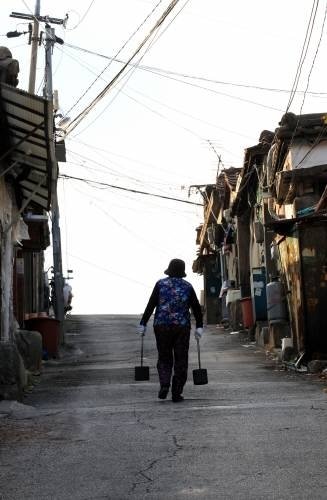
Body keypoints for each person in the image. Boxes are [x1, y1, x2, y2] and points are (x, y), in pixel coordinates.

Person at [138, 258, 203, 403]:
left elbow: (151, 304)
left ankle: (165, 384)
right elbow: (197, 308)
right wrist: (199, 326)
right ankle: (176, 392)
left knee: (164, 357)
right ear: (182, 271)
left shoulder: (160, 284)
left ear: (169, 269)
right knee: (181, 359)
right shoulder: (187, 286)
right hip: (181, 327)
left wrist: (143, 323)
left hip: (161, 326)